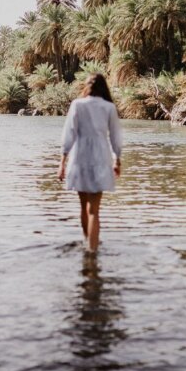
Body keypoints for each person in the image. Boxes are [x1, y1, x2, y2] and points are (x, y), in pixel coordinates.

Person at [59, 74, 123, 252]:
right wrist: (117, 159)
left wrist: (62, 161)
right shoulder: (109, 107)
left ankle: (87, 241)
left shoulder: (77, 105)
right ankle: (93, 251)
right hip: (101, 159)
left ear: (86, 87)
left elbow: (69, 134)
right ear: (103, 87)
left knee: (83, 206)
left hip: (79, 158)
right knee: (94, 209)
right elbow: (115, 136)